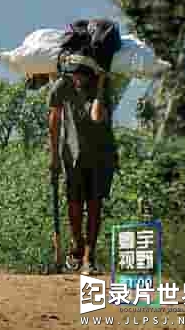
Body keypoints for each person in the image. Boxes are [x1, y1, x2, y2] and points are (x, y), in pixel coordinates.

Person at [48, 54, 116, 275]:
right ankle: (77, 244)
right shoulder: (62, 86)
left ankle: (90, 255)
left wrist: (101, 86)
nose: (77, 79)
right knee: (74, 204)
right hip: (72, 155)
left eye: (82, 74)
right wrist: (54, 156)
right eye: (74, 73)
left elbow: (96, 116)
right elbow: (54, 119)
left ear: (90, 75)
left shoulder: (102, 89)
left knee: (94, 205)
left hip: (100, 156)